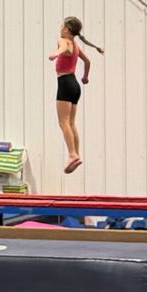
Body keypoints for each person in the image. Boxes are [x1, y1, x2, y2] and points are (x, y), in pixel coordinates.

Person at [48, 16, 104, 175]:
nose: (60, 28)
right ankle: (76, 154)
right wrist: (85, 77)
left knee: (63, 122)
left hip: (65, 83)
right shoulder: (77, 46)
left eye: (61, 26)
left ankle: (72, 154)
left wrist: (55, 54)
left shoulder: (63, 40)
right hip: (75, 85)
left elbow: (63, 47)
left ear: (66, 29)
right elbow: (88, 62)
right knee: (71, 123)